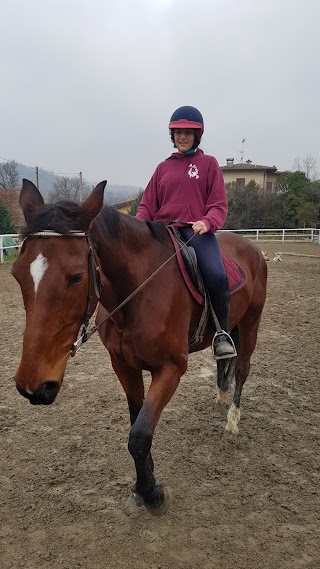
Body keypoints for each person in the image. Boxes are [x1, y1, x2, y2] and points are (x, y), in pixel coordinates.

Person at [136, 105, 236, 359]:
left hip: (196, 232)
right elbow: (148, 205)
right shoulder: (162, 168)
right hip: (163, 232)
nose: (182, 137)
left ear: (197, 135)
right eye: (177, 132)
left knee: (215, 274)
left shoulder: (208, 164)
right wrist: (138, 228)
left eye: (188, 132)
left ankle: (221, 333)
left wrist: (208, 221)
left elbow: (218, 204)